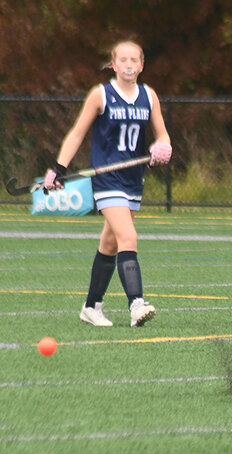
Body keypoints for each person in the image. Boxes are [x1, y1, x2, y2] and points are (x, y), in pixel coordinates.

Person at [43, 40, 172, 327]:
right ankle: (136, 304)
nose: (128, 65)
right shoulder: (101, 94)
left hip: (133, 179)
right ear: (113, 65)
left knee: (110, 243)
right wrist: (59, 167)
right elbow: (77, 133)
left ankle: (91, 307)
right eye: (122, 60)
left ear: (141, 65)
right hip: (107, 179)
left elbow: (162, 134)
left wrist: (163, 147)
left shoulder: (149, 95)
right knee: (129, 237)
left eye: (133, 60)